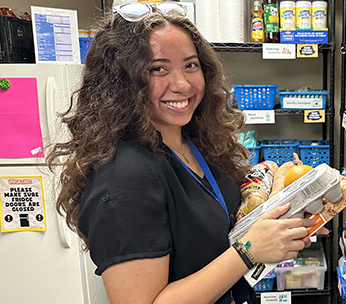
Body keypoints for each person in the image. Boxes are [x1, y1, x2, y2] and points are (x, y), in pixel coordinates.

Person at [46, 3, 328, 303]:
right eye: (158, 68)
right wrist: (248, 251)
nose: (182, 84)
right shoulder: (125, 176)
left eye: (190, 65)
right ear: (121, 80)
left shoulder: (190, 140)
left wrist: (281, 215)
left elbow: (208, 231)